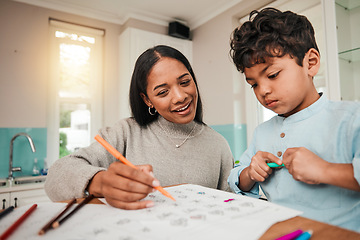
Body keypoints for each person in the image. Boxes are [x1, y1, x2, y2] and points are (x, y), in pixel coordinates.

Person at [45, 45, 234, 210]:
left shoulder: (219, 145)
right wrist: (99, 182)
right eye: (162, 92)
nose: (180, 96)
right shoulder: (125, 133)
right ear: (147, 100)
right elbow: (56, 176)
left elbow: (229, 203)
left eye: (185, 82)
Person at [227, 8, 360, 232]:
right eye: (254, 84)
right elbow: (235, 178)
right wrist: (250, 172)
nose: (263, 90)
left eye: (272, 75)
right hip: (279, 232)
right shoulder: (262, 132)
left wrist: (323, 170)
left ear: (311, 63)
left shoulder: (351, 118)